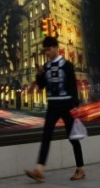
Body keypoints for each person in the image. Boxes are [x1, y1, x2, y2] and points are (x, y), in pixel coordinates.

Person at [25, 35, 85, 182]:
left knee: (72, 138)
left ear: (56, 48)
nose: (47, 52)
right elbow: (41, 86)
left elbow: (73, 86)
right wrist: (39, 75)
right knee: (46, 136)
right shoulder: (46, 66)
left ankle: (80, 169)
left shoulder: (66, 65)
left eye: (49, 49)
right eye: (45, 50)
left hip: (66, 106)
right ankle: (39, 170)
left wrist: (75, 106)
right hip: (52, 106)